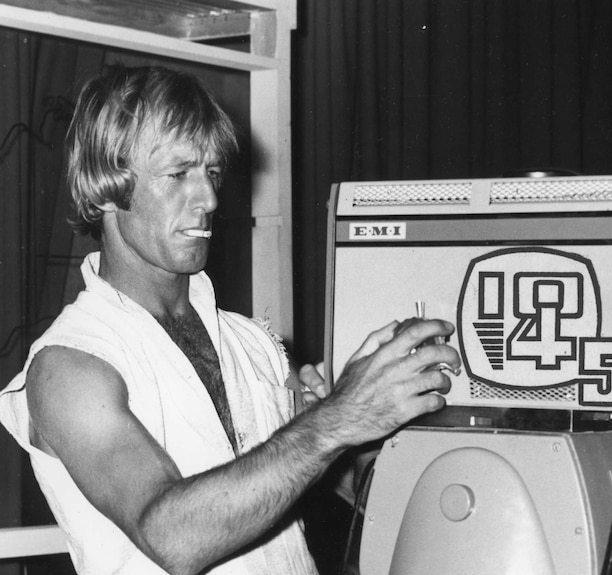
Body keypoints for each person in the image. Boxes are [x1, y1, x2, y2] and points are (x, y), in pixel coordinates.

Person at [0, 65, 460, 575]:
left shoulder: (251, 343)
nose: (210, 200)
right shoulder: (69, 365)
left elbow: (326, 486)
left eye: (212, 173)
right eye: (178, 175)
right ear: (106, 186)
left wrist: (373, 426)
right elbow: (171, 536)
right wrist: (336, 420)